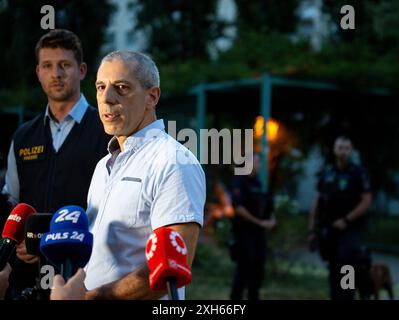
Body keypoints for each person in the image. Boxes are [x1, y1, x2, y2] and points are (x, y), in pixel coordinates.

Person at [83, 51, 206, 300]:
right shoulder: (102, 166)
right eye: (100, 87)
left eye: (121, 87)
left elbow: (169, 271)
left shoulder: (174, 161)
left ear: (152, 96)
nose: (106, 98)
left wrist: (94, 298)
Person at [1, 29, 110, 299]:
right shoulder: (23, 136)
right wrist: (21, 242)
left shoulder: (106, 131)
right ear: (38, 72)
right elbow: (12, 204)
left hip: (85, 276)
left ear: (82, 70)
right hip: (26, 278)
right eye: (48, 66)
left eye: (65, 65)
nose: (56, 74)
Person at [308, 136, 372, 300]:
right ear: (334, 149)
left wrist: (347, 220)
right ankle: (336, 296)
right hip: (329, 228)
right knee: (334, 267)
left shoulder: (358, 173)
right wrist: (312, 229)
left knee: (347, 265)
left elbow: (366, 201)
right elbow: (317, 201)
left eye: (346, 148)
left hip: (350, 228)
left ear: (351, 151)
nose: (343, 151)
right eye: (340, 147)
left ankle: (348, 296)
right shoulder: (327, 173)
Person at [229, 152, 277, 300]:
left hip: (258, 235)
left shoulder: (258, 183)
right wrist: (259, 222)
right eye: (256, 162)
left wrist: (271, 220)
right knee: (243, 270)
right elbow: (239, 208)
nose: (258, 165)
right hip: (244, 234)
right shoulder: (239, 182)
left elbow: (267, 206)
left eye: (259, 162)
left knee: (258, 271)